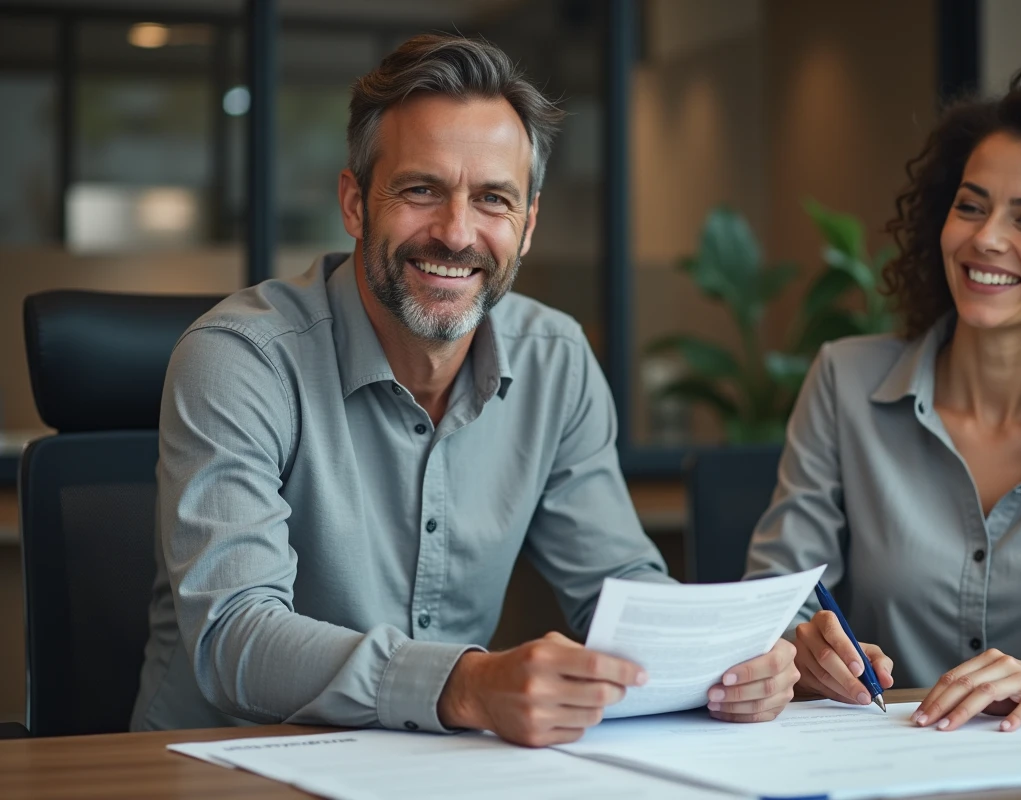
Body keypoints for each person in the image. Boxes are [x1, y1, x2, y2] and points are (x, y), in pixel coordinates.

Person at [131, 34, 797, 746]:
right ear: (355, 203)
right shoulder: (241, 360)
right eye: (421, 190)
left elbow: (618, 583)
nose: (456, 233)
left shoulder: (557, 360)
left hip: (436, 769)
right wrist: (468, 684)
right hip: (222, 766)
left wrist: (726, 666)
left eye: (492, 199)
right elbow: (235, 636)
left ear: (528, 225)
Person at [745, 68, 1021, 732]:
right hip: (881, 762)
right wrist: (800, 644)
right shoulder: (844, 380)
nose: (986, 238)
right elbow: (769, 602)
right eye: (970, 205)